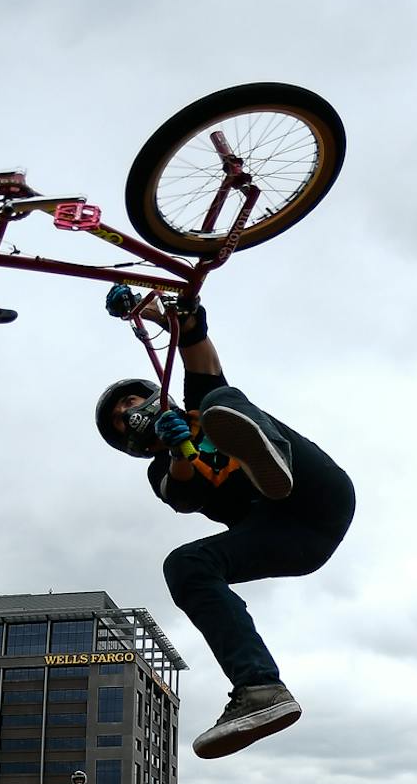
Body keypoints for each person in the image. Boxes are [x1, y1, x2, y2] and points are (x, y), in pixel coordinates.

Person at [96, 299, 355, 759]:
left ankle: (269, 457)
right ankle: (260, 690)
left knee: (217, 398)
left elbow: (194, 340)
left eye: (132, 402)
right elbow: (183, 491)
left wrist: (154, 313)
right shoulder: (161, 471)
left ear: (154, 396)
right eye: (121, 418)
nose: (129, 412)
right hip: (290, 539)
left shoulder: (199, 409)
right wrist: (179, 450)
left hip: (319, 495)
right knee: (185, 565)